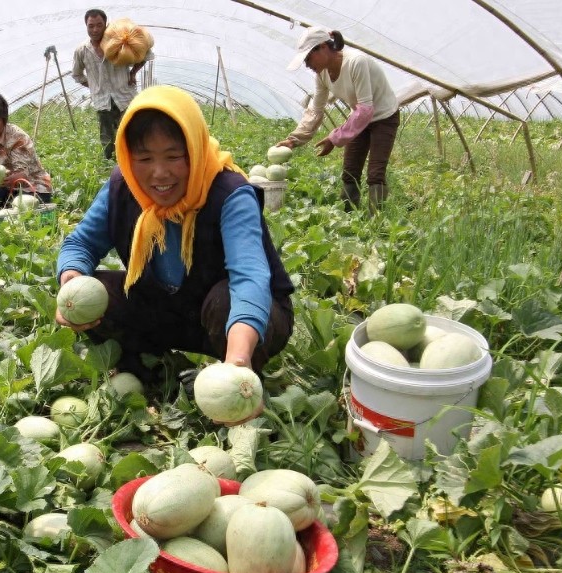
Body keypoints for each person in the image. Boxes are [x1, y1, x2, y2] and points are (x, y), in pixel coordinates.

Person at [55, 85, 294, 393]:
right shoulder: (123, 187)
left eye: (173, 156)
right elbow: (80, 244)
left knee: (226, 299)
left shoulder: (229, 193)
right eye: (144, 158)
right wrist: (72, 286)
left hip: (232, 318)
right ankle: (150, 368)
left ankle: (239, 373)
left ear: (194, 150)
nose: (159, 173)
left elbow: (250, 278)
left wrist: (238, 361)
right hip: (170, 309)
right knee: (98, 292)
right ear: (128, 158)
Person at [278, 26, 399, 214]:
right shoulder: (322, 74)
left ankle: (376, 223)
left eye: (308, 58)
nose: (307, 65)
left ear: (323, 47)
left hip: (384, 116)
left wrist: (335, 138)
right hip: (359, 118)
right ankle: (347, 218)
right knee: (350, 171)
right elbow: (316, 109)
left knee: (375, 173)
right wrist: (294, 139)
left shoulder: (356, 62)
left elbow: (366, 109)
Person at [73, 8, 155, 161]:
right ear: (86, 26)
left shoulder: (117, 42)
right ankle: (110, 169)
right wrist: (93, 86)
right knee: (107, 139)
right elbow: (77, 75)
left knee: (132, 134)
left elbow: (146, 54)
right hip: (102, 101)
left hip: (124, 97)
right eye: (91, 26)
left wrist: (133, 73)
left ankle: (134, 164)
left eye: (99, 25)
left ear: (106, 24)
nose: (95, 29)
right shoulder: (81, 51)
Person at [0, 91, 53, 211]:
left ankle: (8, 207)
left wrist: (13, 178)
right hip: (4, 188)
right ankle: (7, 206)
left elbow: (23, 174)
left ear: (4, 119)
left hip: (32, 186)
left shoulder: (17, 137)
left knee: (27, 205)